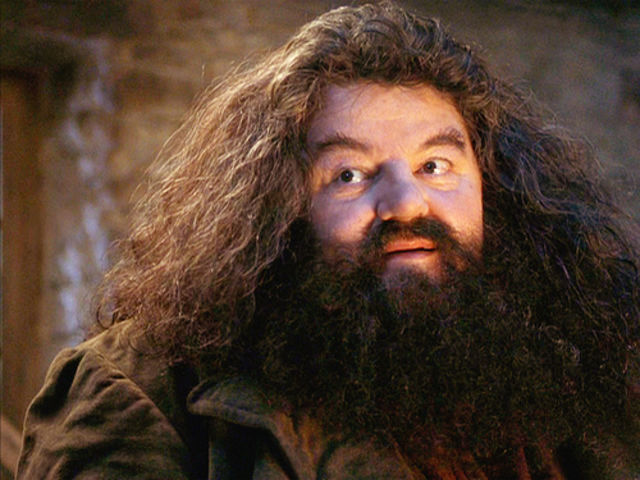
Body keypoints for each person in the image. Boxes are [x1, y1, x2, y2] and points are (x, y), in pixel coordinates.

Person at [17, 2, 640, 479]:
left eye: (435, 165)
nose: (406, 203)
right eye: (349, 175)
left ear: (491, 186)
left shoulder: (580, 375)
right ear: (278, 205)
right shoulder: (133, 389)